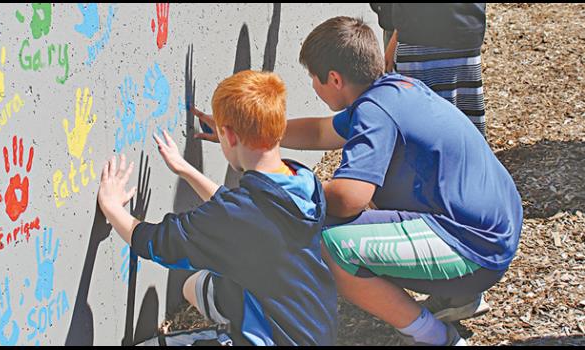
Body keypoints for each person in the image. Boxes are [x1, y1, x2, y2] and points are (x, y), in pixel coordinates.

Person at [202, 17, 524, 345]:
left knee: (330, 246)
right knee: (322, 224)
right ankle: (459, 297)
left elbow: (348, 199)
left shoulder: (375, 112)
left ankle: (438, 338)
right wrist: (251, 132)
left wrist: (280, 192)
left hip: (475, 248)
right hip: (491, 230)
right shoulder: (396, 89)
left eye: (313, 78)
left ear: (334, 79)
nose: (313, 86)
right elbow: (320, 131)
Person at [97, 70, 337, 346]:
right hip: (315, 326)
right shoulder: (302, 181)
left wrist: (113, 207)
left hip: (275, 338)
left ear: (229, 136)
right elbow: (237, 213)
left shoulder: (239, 217)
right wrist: (185, 169)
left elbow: (157, 243)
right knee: (195, 287)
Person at [370, 3, 488, 138]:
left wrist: (394, 32)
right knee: (464, 128)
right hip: (463, 28)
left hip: (417, 33)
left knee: (415, 128)